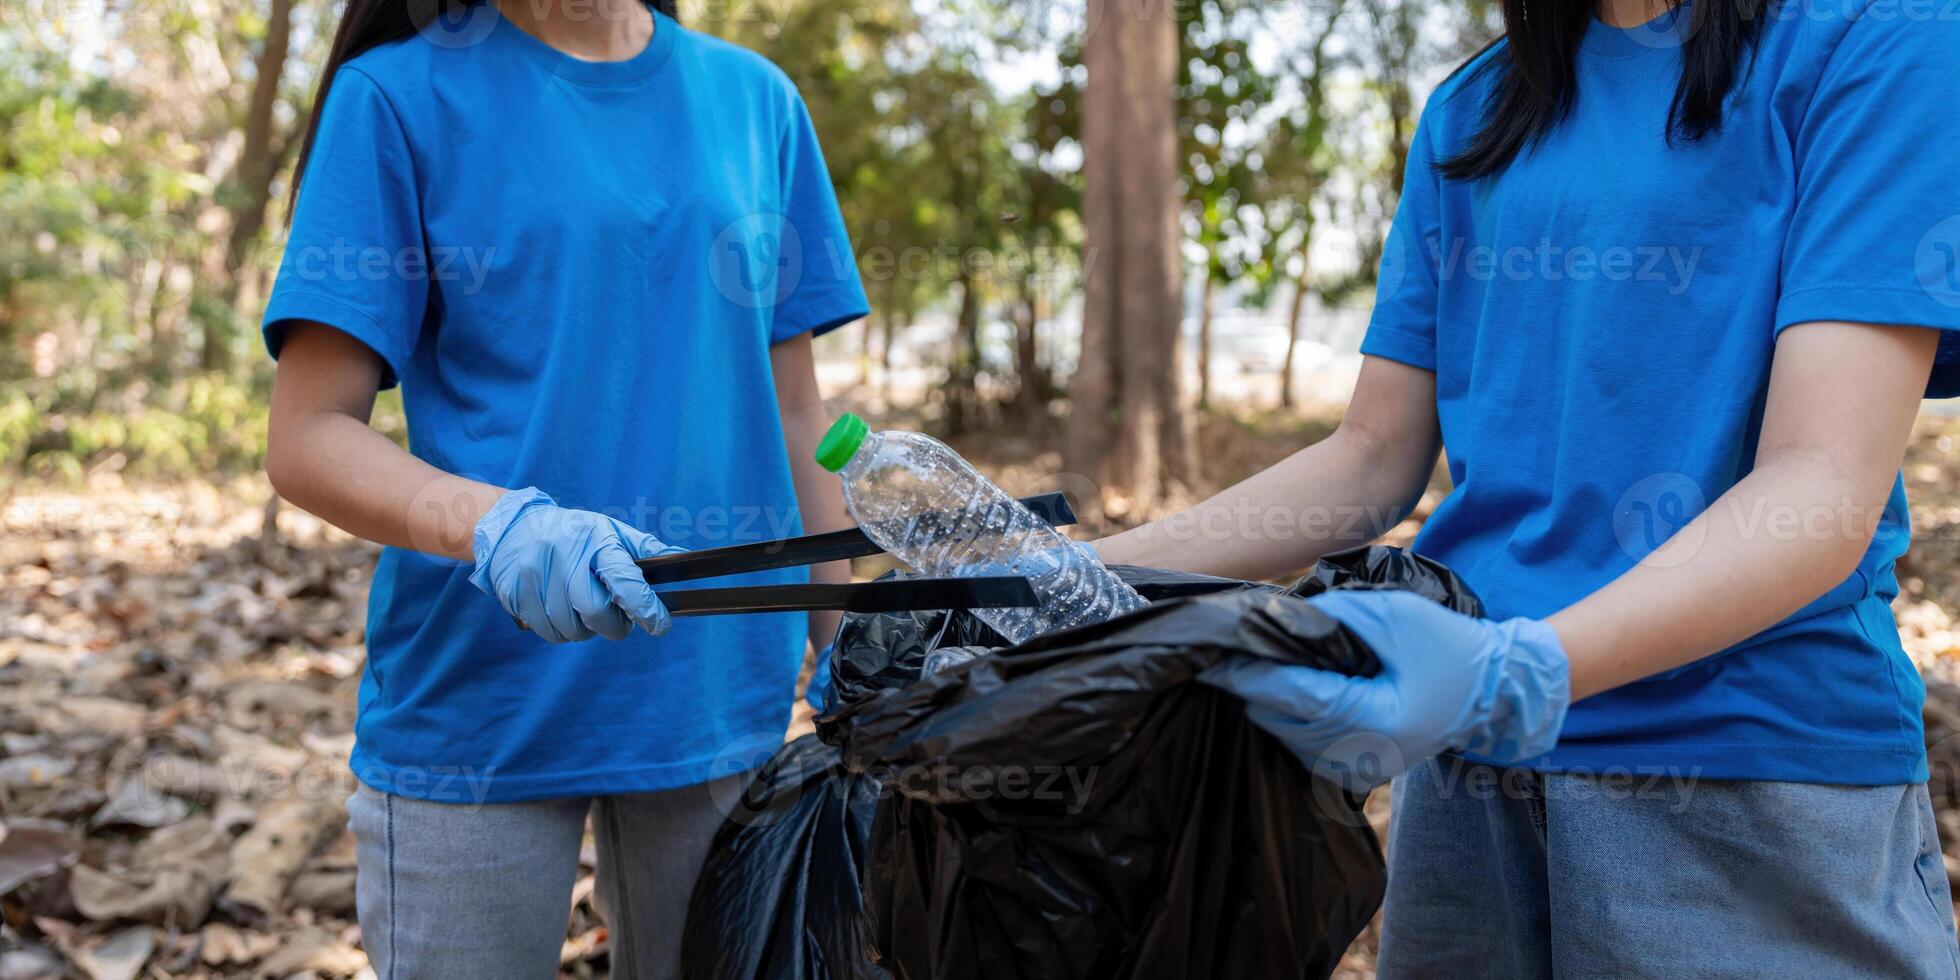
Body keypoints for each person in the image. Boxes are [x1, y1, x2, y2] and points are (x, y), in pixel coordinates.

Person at [1095, 0, 1960, 974]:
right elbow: (1370, 455)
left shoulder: (1878, 37)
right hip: (1469, 779)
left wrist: (1517, 672)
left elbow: (1821, 484)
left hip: (1745, 778)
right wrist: (1076, 578)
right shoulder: (1475, 107)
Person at [260, 0, 865, 975]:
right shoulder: (395, 97)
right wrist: (503, 525)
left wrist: (848, 644)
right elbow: (308, 436)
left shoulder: (755, 100)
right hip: (476, 706)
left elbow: (793, 412)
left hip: (713, 698)